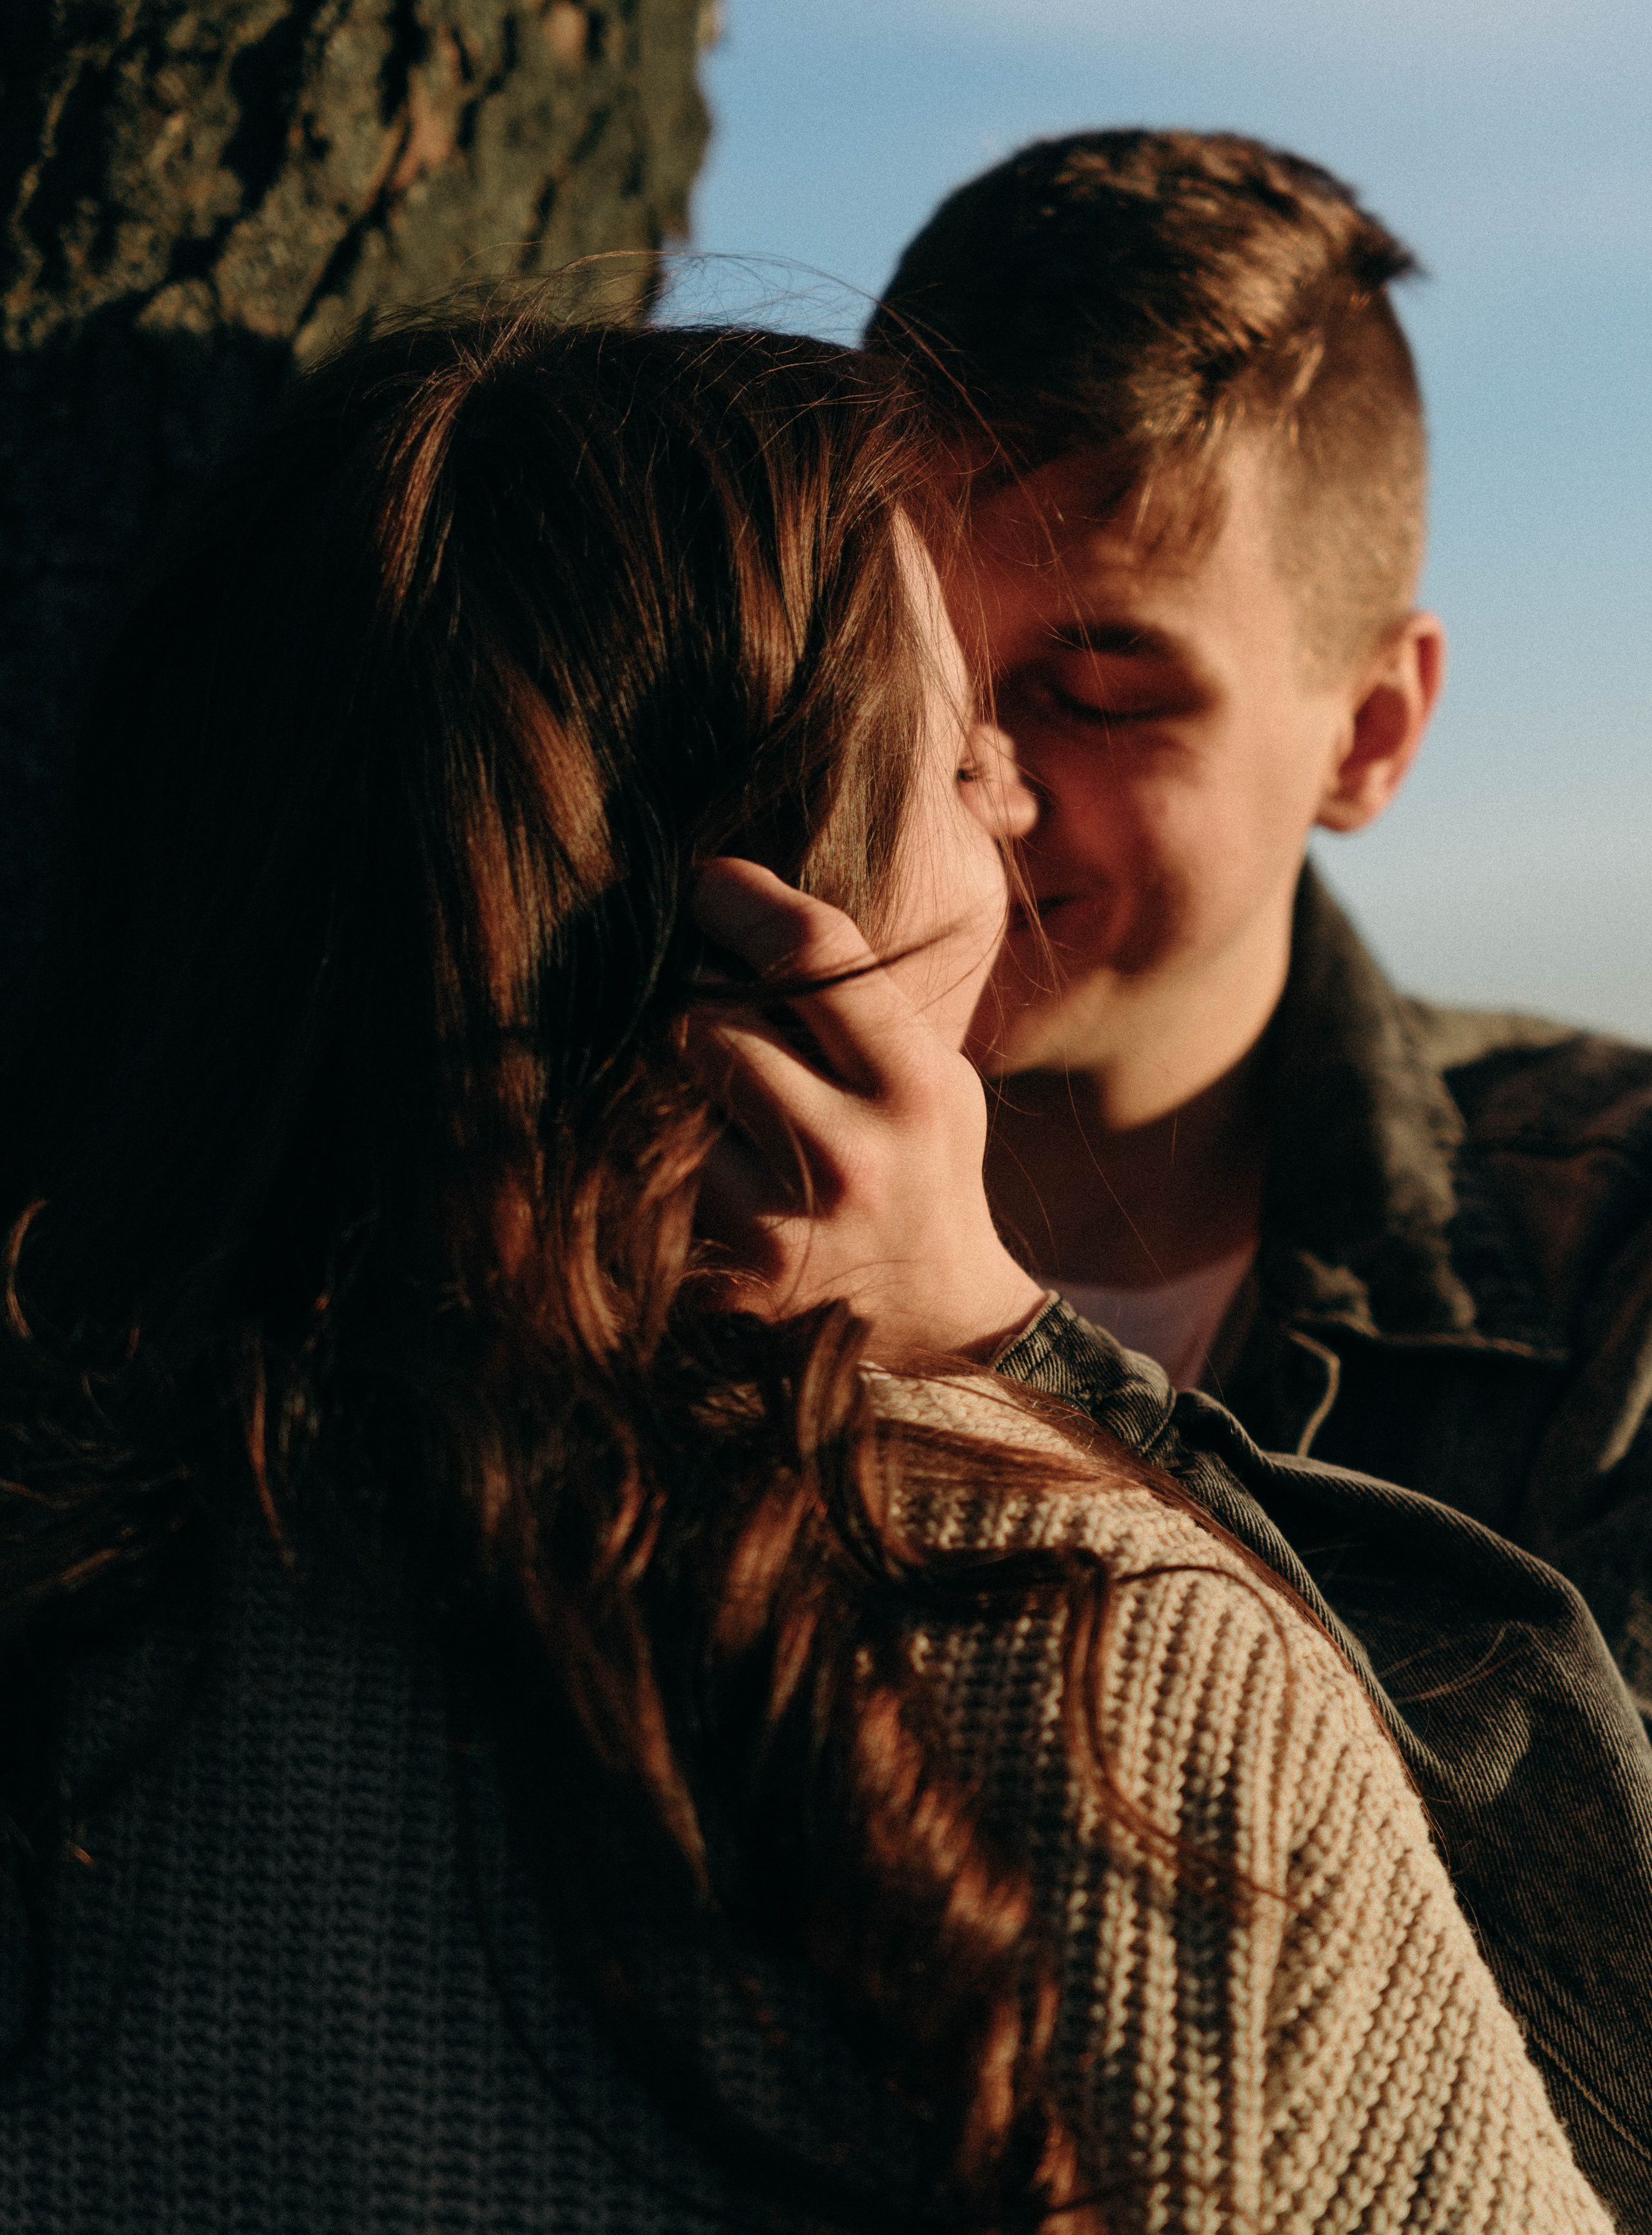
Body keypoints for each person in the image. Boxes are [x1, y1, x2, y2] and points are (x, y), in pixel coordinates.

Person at [0, 312, 1613, 2234]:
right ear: (749, 907)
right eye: (957, 746)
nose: (1015, 799)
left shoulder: (83, 1564)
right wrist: (1030, 1386)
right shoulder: (1124, 1680)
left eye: (1100, 691)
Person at [869, 127, 1652, 1719]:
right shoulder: (617, 1166)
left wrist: (988, 1357)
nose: (963, 775)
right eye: (888, 662)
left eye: (1098, 694)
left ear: (1368, 732)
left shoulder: (1609, 1257)